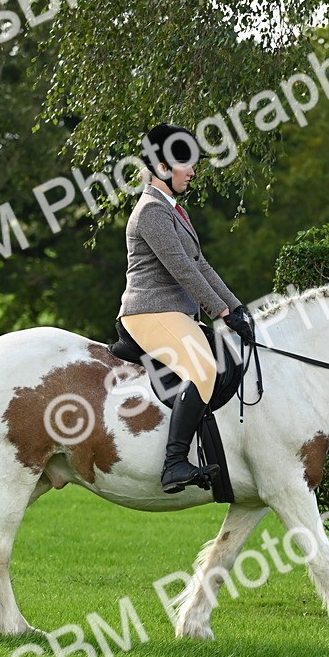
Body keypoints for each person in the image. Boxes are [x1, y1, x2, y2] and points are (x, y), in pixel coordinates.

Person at [118, 124, 254, 494]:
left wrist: (236, 307)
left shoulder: (174, 210)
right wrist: (220, 312)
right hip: (149, 312)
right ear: (162, 166)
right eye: (185, 163)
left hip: (174, 314)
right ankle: (174, 463)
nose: (193, 171)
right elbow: (182, 268)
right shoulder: (151, 211)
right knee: (204, 367)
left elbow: (202, 265)